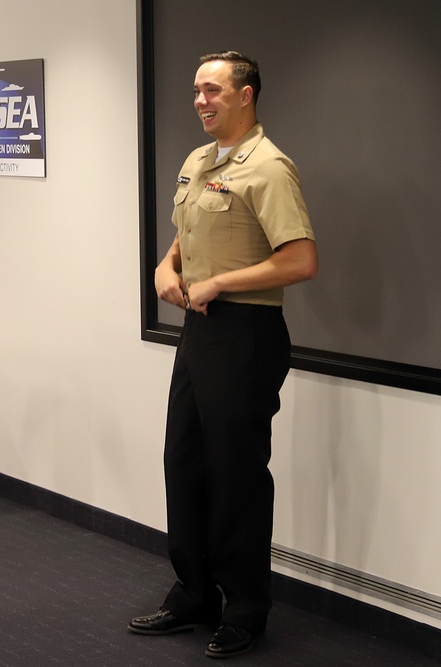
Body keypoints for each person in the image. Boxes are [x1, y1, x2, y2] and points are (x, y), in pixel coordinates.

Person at [127, 52, 318, 658]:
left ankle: (244, 608)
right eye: (195, 91)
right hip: (201, 334)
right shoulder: (199, 161)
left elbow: (300, 259)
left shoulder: (269, 167)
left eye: (212, 90)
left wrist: (220, 283)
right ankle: (194, 594)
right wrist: (167, 264)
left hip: (247, 335)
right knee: (184, 463)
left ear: (246, 95)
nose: (200, 101)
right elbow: (191, 232)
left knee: (236, 477)